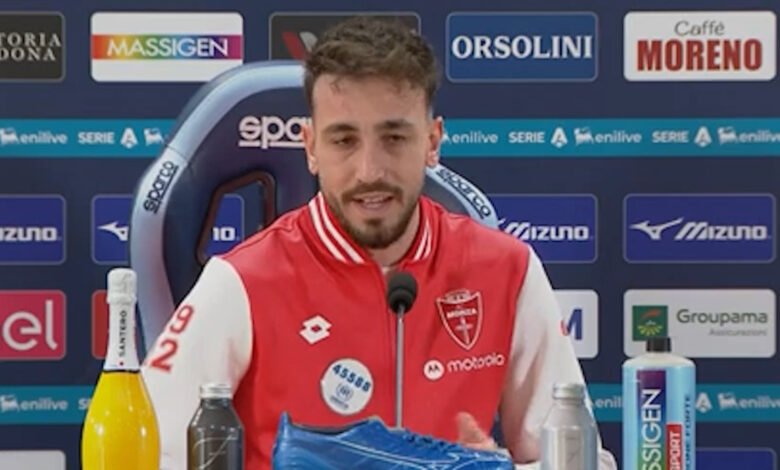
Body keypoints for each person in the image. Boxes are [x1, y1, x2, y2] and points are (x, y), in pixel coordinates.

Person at [141, 16, 617, 470]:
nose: (369, 170)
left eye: (394, 138)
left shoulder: (507, 270)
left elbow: (582, 460)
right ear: (310, 147)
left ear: (432, 142)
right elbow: (144, 455)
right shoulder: (242, 281)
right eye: (344, 141)